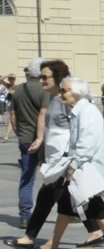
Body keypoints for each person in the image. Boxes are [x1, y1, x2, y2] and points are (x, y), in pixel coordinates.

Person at [9, 60, 92, 249]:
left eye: (45, 77)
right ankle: (96, 231)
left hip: (63, 157)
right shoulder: (53, 98)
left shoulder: (67, 99)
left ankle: (31, 237)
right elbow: (46, 122)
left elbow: (78, 128)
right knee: (75, 199)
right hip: (54, 155)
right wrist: (40, 140)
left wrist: (71, 156)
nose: (41, 80)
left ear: (57, 78)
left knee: (48, 195)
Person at [34, 77, 104, 249]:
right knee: (66, 205)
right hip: (80, 165)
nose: (60, 94)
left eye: (64, 90)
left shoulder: (87, 112)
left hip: (86, 168)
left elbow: (85, 143)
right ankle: (53, 245)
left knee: (95, 207)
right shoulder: (77, 111)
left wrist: (73, 166)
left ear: (77, 92)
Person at [9, 60, 48, 224]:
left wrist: (19, 133)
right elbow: (44, 115)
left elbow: (12, 114)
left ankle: (25, 215)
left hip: (25, 139)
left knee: (27, 178)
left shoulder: (18, 90)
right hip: (44, 139)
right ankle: (69, 211)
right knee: (55, 178)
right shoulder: (45, 90)